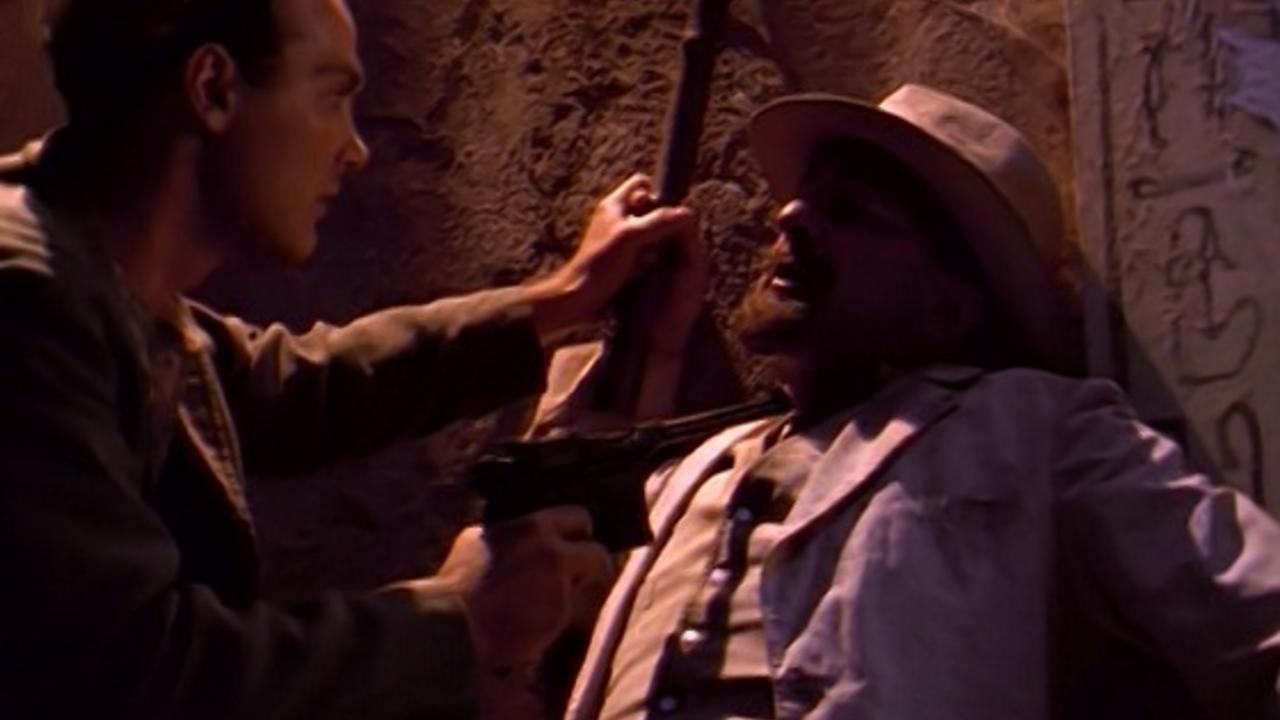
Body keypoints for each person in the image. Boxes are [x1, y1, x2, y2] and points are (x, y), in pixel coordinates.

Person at [0, 0, 701, 718]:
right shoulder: (27, 303)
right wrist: (458, 618)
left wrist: (564, 299)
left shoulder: (98, 275)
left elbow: (288, 387)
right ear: (212, 88)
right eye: (331, 97)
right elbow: (133, 673)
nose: (354, 149)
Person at [560, 85, 1280, 720]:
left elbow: (1254, 608)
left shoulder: (1030, 427)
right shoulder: (696, 468)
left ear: (948, 310)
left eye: (851, 211)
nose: (790, 215)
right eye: (804, 194)